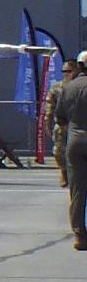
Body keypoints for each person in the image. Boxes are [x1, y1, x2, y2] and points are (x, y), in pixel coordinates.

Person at [50, 64, 87, 250]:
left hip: (75, 141)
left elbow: (59, 117)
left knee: (77, 190)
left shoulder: (69, 87)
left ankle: (80, 234)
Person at [48, 62, 81, 189]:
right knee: (59, 152)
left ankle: (76, 176)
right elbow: (50, 107)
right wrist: (48, 123)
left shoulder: (80, 86)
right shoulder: (57, 88)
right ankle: (64, 172)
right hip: (62, 125)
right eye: (64, 71)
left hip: (79, 125)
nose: (67, 74)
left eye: (70, 71)